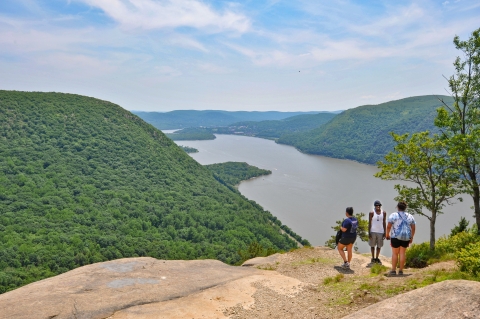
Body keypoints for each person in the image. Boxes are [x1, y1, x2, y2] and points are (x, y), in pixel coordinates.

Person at [386, 201, 416, 276]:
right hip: (406, 237)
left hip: (395, 236)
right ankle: (401, 270)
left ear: (397, 207)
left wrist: (387, 234)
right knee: (402, 253)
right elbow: (413, 227)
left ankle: (393, 270)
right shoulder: (410, 216)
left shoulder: (393, 215)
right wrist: (411, 237)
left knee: (395, 253)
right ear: (405, 208)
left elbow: (389, 226)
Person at [368, 200, 386, 264]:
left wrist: (385, 232)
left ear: (380, 206)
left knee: (379, 246)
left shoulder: (383, 213)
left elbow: (384, 222)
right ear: (374, 206)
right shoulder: (371, 213)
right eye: (376, 205)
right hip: (373, 231)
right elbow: (370, 223)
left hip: (381, 231)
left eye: (379, 205)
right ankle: (373, 257)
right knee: (372, 245)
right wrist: (369, 232)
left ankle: (377, 257)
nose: (378, 206)